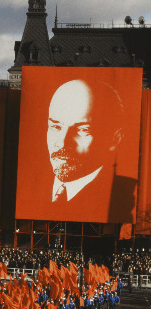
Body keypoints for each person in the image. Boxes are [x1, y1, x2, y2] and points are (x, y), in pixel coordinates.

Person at [42, 78, 135, 222]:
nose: (63, 142)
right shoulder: (31, 189)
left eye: (83, 130)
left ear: (115, 139)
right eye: (56, 127)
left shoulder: (124, 197)